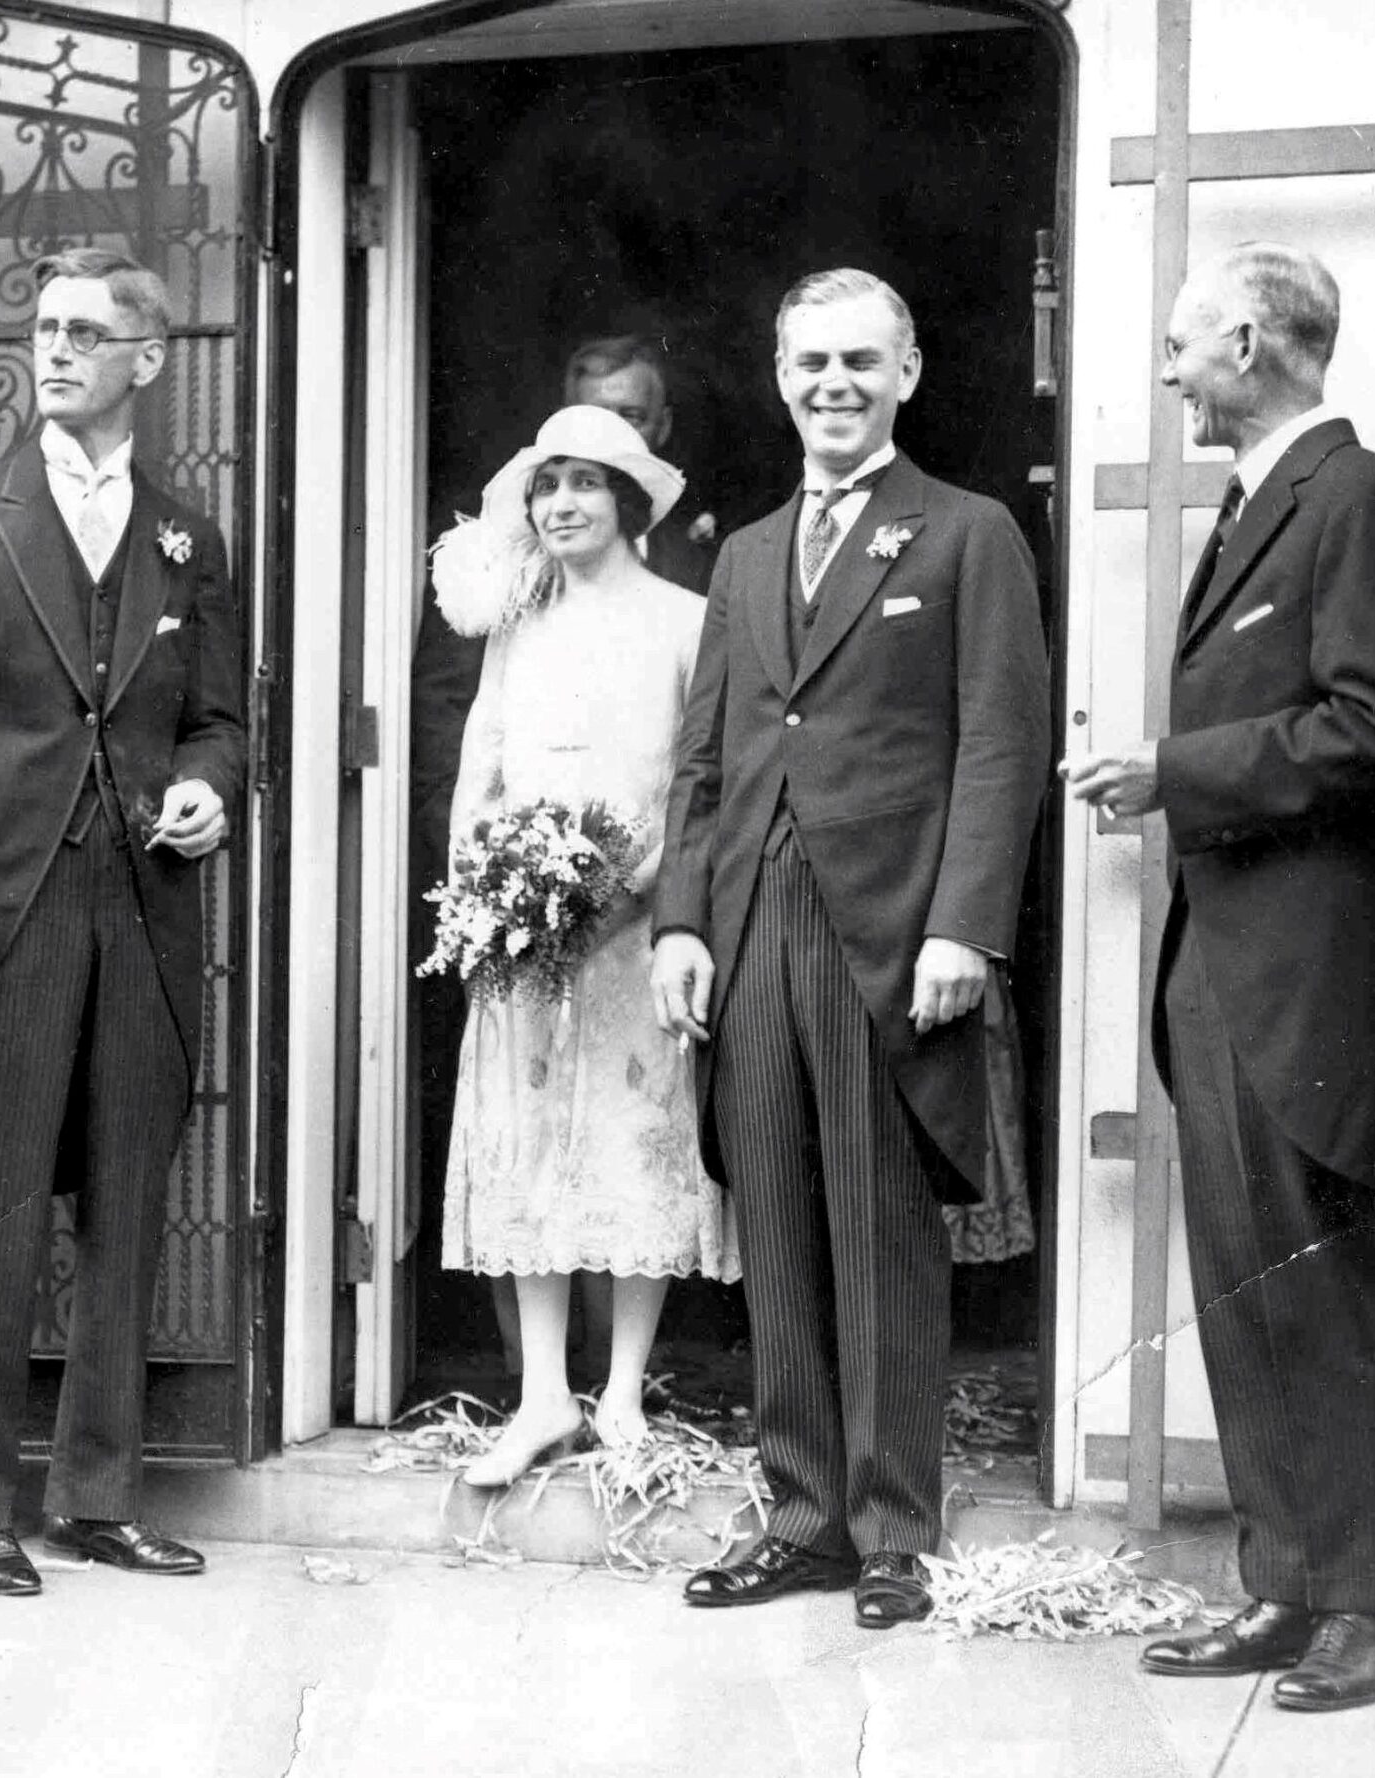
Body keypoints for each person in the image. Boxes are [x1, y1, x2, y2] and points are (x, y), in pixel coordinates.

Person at [1060, 242, 1375, 1711]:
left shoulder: (1358, 497)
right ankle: (1285, 1586)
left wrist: (1172, 770)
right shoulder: (1265, 500)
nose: (1166, 372)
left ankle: (1360, 1607)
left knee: (1312, 1288)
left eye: (1182, 343)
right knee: (1245, 1288)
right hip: (1232, 960)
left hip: (1306, 973)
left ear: (1261, 341)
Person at [652, 269, 1050, 1630]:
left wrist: (966, 927)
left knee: (882, 1235)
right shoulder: (750, 551)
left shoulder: (966, 531)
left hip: (890, 930)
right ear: (779, 377)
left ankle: (893, 1531)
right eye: (811, 361)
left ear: (909, 371)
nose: (834, 383)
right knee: (772, 1217)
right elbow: (702, 759)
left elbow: (1002, 746)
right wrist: (682, 923)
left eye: (860, 362)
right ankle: (803, 1516)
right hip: (756, 920)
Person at [0, 247, 246, 1598]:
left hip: (141, 910)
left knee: (130, 1207)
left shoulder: (186, 530)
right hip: (6, 909)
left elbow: (216, 714)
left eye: (87, 331)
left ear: (148, 359)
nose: (56, 349)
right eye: (43, 328)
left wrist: (208, 787)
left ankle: (99, 1497)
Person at [432, 404, 739, 1486]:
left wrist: (631, 888)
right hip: (528, 937)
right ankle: (541, 1395)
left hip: (635, 932)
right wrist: (488, 880)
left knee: (631, 1135)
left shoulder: (687, 621)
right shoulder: (519, 628)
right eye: (547, 485)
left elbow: (698, 777)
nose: (562, 503)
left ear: (628, 501)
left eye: (586, 484)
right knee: (529, 1147)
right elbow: (485, 762)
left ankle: (621, 1389)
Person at [565, 335, 722, 593]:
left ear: (663, 427)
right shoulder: (520, 558)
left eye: (632, 417)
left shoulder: (702, 565)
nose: (613, 433)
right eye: (595, 417)